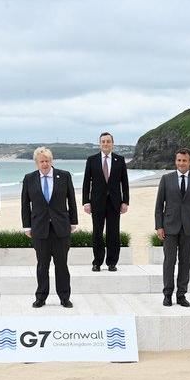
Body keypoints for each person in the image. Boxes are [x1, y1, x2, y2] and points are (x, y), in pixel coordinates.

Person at [21, 147, 78, 308]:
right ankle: (41, 297)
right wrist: (27, 226)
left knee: (62, 265)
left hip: (61, 228)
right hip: (39, 229)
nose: (45, 164)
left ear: (51, 161)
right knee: (42, 265)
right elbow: (25, 205)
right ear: (36, 163)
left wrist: (73, 222)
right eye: (41, 161)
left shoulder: (64, 176)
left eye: (47, 161)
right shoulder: (29, 178)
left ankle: (64, 297)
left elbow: (72, 201)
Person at [155, 147, 190, 307]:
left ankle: (181, 295)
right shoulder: (166, 179)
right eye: (179, 160)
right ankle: (167, 294)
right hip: (169, 227)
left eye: (184, 160)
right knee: (169, 261)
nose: (181, 163)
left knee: (186, 262)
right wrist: (159, 226)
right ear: (175, 161)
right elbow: (159, 206)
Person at [82, 132, 130, 272]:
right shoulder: (92, 160)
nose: (105, 144)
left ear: (112, 144)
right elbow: (86, 183)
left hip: (115, 202)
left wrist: (125, 201)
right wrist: (86, 202)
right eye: (103, 141)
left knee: (113, 233)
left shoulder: (119, 160)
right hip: (96, 202)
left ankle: (112, 262)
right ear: (100, 144)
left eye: (108, 141)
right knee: (97, 232)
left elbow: (125, 183)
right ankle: (97, 262)